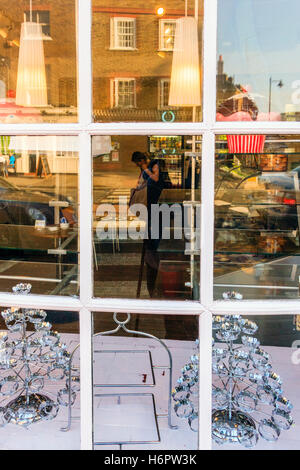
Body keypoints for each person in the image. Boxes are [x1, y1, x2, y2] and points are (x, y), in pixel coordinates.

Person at [131, 151, 171, 297]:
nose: (139, 166)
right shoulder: (145, 168)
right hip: (150, 205)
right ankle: (151, 253)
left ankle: (154, 254)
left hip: (158, 205)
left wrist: (145, 168)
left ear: (142, 160)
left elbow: (155, 178)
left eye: (139, 163)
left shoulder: (154, 164)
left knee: (155, 235)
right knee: (150, 235)